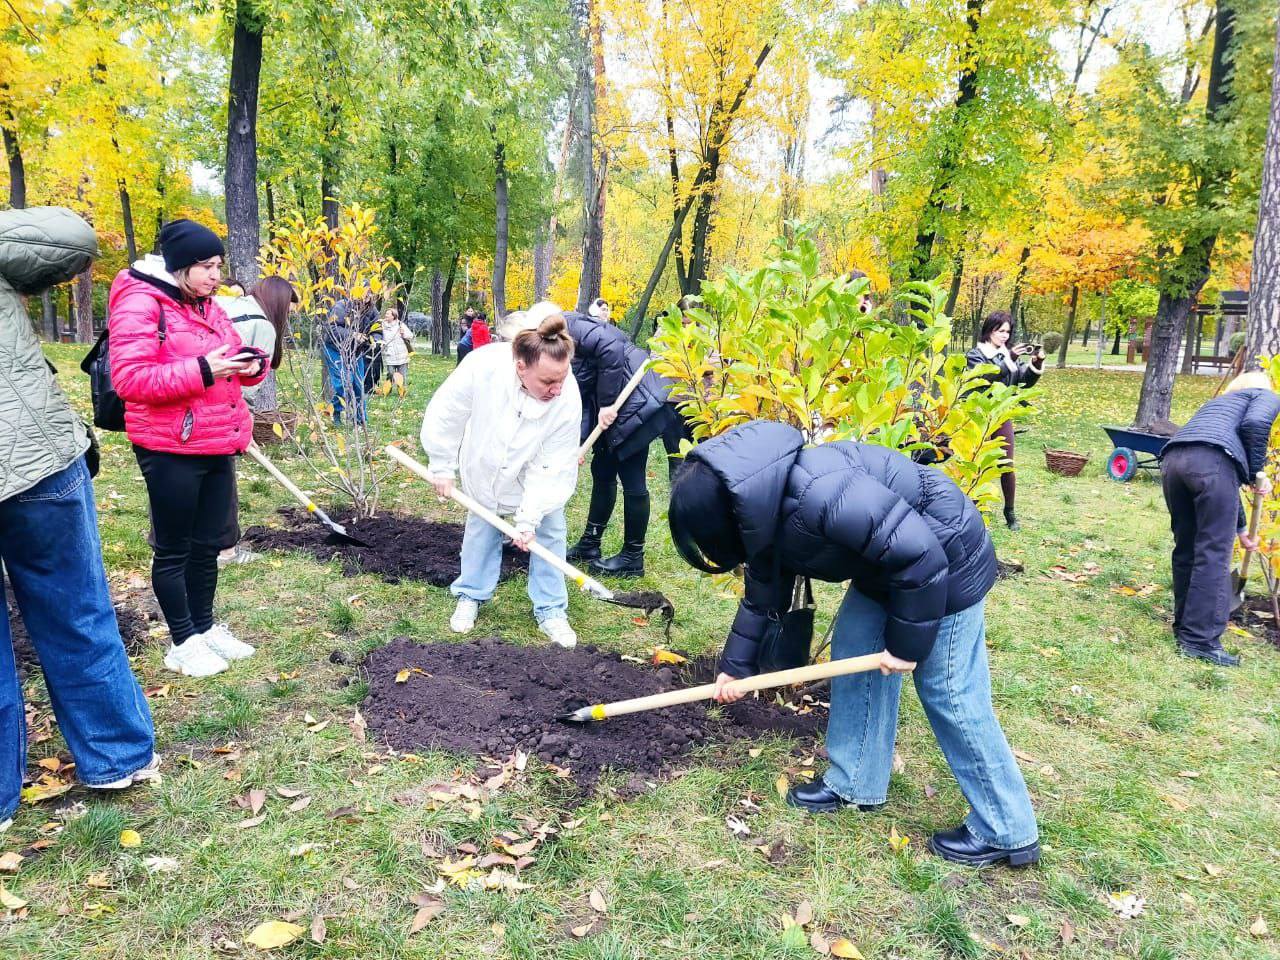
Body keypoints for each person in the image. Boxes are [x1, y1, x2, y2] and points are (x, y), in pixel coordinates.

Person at [669, 419, 1040, 868]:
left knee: (949, 691)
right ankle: (855, 780)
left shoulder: (820, 493)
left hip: (946, 559)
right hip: (889, 566)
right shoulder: (759, 508)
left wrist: (905, 648)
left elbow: (920, 558)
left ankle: (1007, 828)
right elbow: (763, 590)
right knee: (855, 649)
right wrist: (737, 667)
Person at [1, 206, 158, 827]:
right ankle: (115, 753)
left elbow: (73, 241)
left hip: (32, 460)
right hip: (36, 458)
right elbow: (71, 238)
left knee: (78, 608)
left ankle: (114, 756)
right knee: (78, 609)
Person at [109, 219, 266, 678]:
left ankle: (204, 626)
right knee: (174, 548)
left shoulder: (210, 306)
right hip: (169, 445)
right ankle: (181, 640)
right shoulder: (140, 303)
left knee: (207, 546)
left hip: (216, 439)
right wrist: (205, 369)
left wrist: (248, 365)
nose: (215, 275)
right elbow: (130, 380)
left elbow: (230, 354)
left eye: (218, 265)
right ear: (180, 265)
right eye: (206, 266)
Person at [420, 312, 582, 648]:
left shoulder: (566, 398)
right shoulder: (483, 367)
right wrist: (441, 465)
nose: (557, 389)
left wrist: (528, 518)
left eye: (562, 379)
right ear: (521, 366)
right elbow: (448, 413)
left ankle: (551, 609)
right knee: (482, 523)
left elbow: (551, 464)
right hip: (486, 460)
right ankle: (471, 594)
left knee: (549, 530)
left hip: (535, 469)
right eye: (548, 382)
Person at [514, 300, 674, 578]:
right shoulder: (549, 352)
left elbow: (612, 346)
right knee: (602, 470)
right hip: (617, 404)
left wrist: (607, 404)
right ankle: (591, 543)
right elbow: (581, 393)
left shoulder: (571, 325)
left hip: (637, 397)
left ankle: (632, 557)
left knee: (632, 475)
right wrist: (577, 443)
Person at [1160, 371, 1280, 667]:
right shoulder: (1264, 395)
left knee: (1186, 547)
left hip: (1174, 462)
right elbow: (1255, 425)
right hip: (1210, 464)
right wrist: (1255, 474)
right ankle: (1199, 641)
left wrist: (1240, 529)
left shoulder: (1217, 405)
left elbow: (1224, 475)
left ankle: (1184, 627)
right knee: (1213, 554)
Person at [965, 311, 1044, 530]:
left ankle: (1010, 513)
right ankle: (975, 511)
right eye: (1001, 331)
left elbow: (1023, 382)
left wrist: (1036, 364)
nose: (1005, 336)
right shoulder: (976, 355)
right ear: (990, 331)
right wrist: (1011, 358)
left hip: (1002, 415)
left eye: (1008, 332)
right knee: (977, 465)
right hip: (979, 416)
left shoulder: (1005, 356)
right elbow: (984, 377)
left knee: (1007, 464)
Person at [218, 275, 297, 412]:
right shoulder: (264, 327)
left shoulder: (225, 302)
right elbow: (246, 392)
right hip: (221, 405)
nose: (285, 319)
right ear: (278, 306)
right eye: (286, 312)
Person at [319, 301, 367, 425]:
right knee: (344, 382)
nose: (367, 296)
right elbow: (331, 328)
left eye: (370, 293)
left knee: (359, 385)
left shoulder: (370, 309)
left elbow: (376, 328)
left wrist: (376, 339)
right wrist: (352, 335)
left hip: (356, 350)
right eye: (365, 292)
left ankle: (360, 420)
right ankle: (336, 411)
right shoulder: (341, 306)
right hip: (335, 348)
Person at [380, 306, 414, 388]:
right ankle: (388, 389)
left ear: (393, 316)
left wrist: (403, 334)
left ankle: (402, 391)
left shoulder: (400, 324)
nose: (386, 315)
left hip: (401, 354)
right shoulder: (382, 325)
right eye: (386, 314)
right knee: (390, 373)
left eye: (388, 314)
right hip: (389, 353)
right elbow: (380, 337)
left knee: (402, 375)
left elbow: (410, 336)